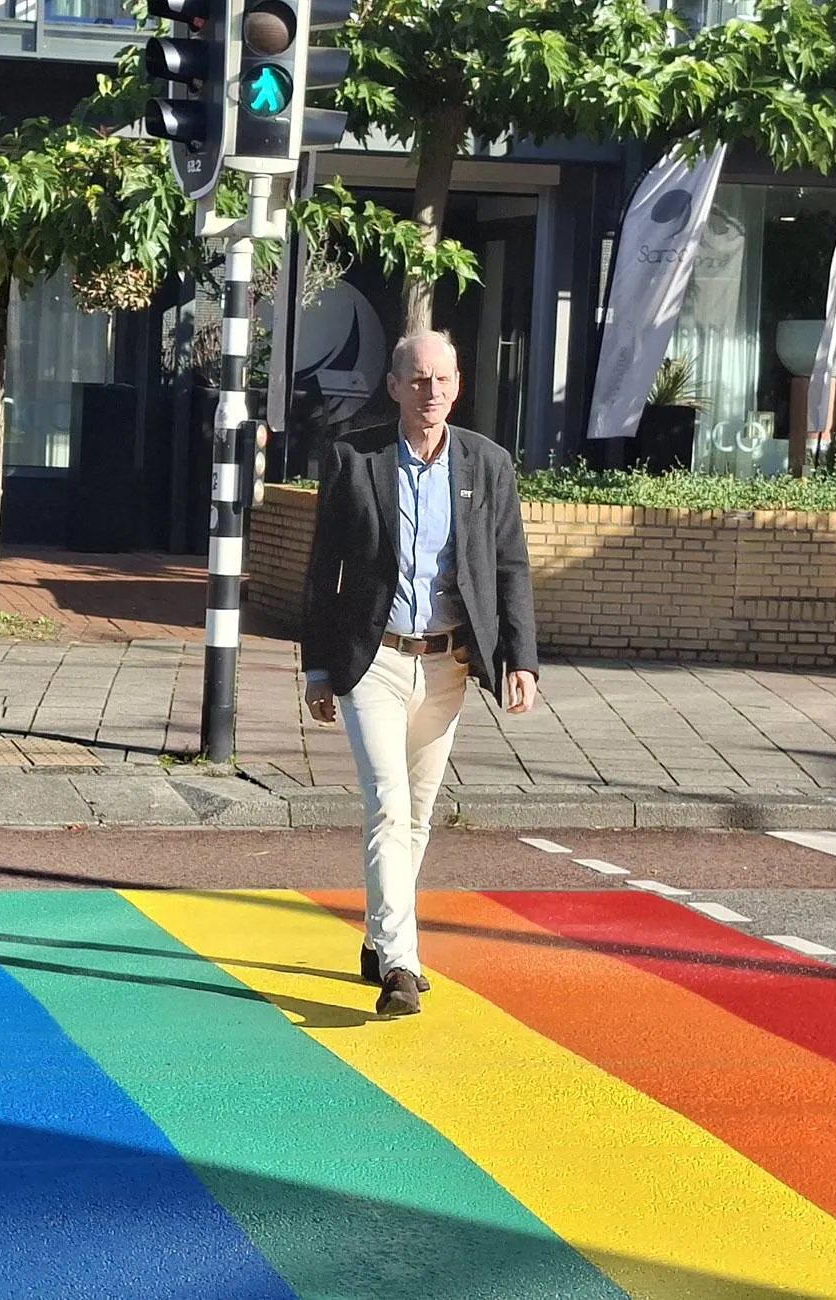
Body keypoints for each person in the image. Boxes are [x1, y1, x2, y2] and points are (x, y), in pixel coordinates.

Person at [301, 330, 540, 1017]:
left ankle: (378, 940)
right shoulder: (354, 458)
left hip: (447, 664)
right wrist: (317, 668)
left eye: (442, 379)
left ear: (457, 385)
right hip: (372, 659)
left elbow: (510, 566)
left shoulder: (487, 464)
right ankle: (401, 965)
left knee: (418, 814)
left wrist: (520, 658)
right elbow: (323, 569)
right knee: (386, 803)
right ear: (394, 386)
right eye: (417, 379)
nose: (430, 391)